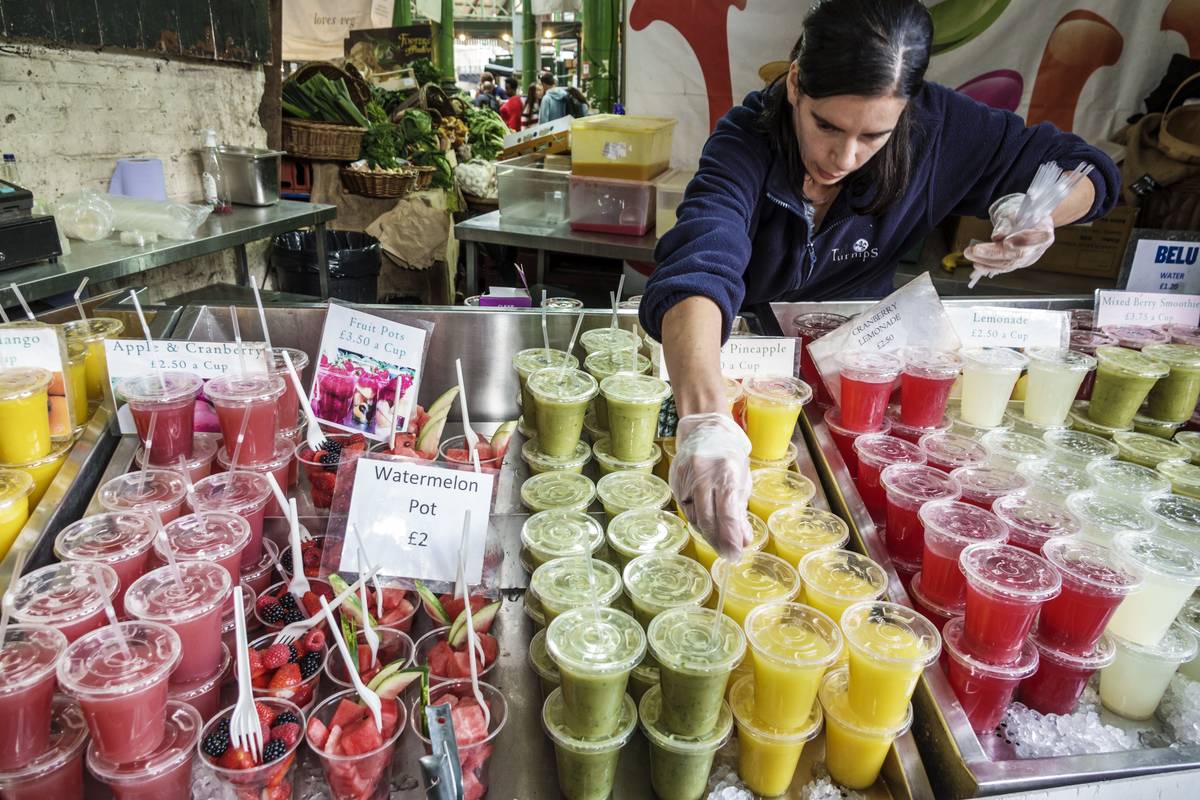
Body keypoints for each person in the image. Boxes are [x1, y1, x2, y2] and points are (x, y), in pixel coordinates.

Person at [639, 0, 1118, 560]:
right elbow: (701, 261)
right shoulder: (746, 140)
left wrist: (1037, 210)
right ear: (795, 83)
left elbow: (1088, 169)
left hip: (859, 375)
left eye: (874, 135)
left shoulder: (939, 129)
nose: (844, 156)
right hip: (741, 372)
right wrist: (705, 419)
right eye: (826, 125)